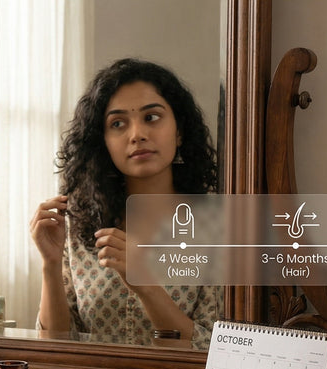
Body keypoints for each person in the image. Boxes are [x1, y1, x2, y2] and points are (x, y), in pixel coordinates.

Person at [32, 58, 221, 349]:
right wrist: (50, 264)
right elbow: (57, 346)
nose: (137, 135)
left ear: (180, 131)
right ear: (103, 143)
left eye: (152, 117)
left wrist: (145, 283)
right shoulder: (81, 224)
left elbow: (217, 350)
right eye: (118, 123)